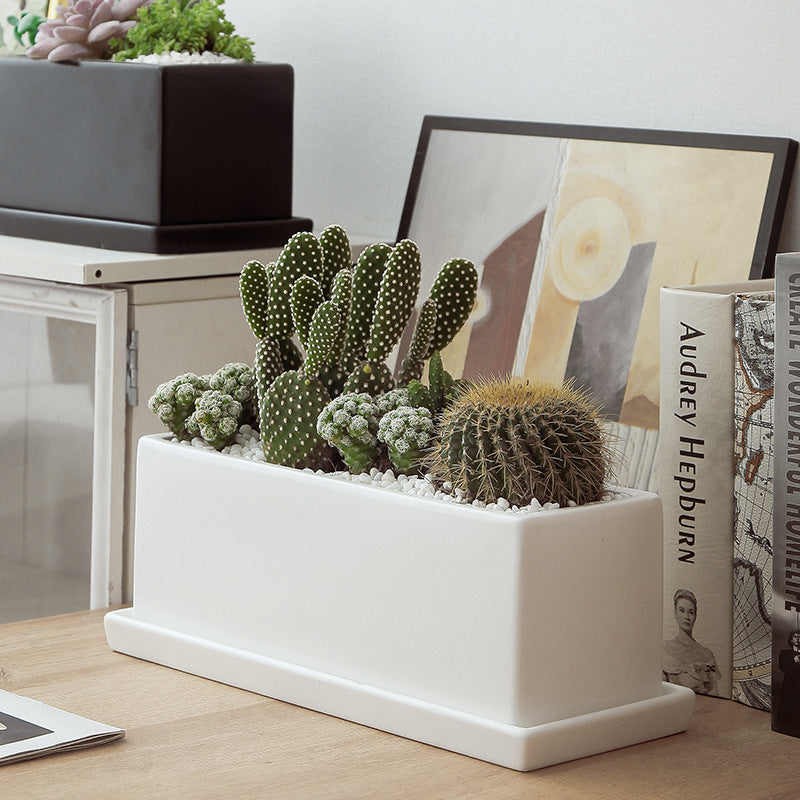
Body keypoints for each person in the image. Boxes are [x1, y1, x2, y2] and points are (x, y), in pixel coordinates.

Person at [663, 588, 719, 694]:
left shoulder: (706, 654)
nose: (686, 617)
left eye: (691, 612)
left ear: (695, 616)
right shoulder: (665, 648)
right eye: (681, 610)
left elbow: (714, 692)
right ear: (675, 613)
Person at [775, 629, 800, 734]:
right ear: (791, 639)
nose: (798, 639)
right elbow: (782, 667)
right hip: (789, 686)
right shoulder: (785, 653)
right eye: (795, 636)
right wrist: (794, 661)